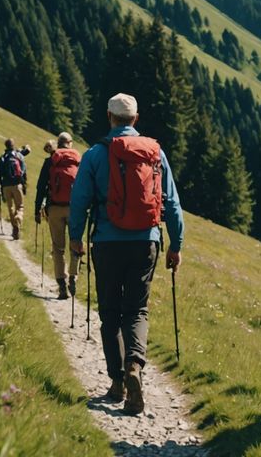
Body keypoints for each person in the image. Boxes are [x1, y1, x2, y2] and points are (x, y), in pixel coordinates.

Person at [69, 93, 185, 415]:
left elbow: (79, 200)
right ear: (135, 119)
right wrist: (176, 245)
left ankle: (118, 382)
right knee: (137, 310)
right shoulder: (155, 154)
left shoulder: (94, 155)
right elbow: (172, 203)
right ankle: (135, 363)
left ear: (109, 117)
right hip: (145, 242)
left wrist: (75, 238)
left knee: (110, 312)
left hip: (106, 242)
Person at [35, 132, 82, 300]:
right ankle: (73, 276)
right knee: (75, 243)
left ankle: (61, 286)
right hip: (74, 209)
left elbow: (41, 187)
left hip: (54, 208)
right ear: (70, 143)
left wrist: (36, 210)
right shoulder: (78, 160)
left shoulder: (50, 161)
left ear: (58, 143)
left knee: (58, 247)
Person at [0, 138, 27, 240]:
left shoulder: (3, 157)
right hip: (17, 185)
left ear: (6, 146)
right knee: (20, 206)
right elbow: (24, 171)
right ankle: (19, 217)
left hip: (6, 186)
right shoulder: (19, 156)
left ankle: (15, 229)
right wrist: (24, 184)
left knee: (11, 208)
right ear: (13, 145)